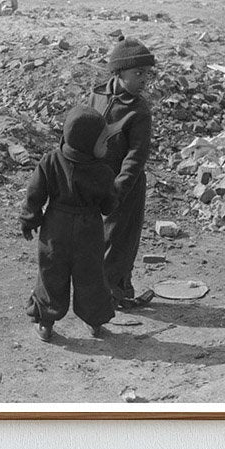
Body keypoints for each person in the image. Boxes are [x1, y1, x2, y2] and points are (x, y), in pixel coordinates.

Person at [20, 105, 117, 343]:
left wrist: (30, 218)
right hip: (89, 230)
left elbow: (35, 194)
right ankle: (93, 319)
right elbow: (108, 205)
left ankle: (45, 320)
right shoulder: (102, 172)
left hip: (55, 228)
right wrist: (114, 197)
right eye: (104, 141)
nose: (108, 146)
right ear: (86, 143)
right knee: (90, 274)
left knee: (51, 272)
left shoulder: (51, 160)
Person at [89, 38, 157, 309]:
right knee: (95, 238)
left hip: (126, 186)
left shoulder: (139, 110)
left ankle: (116, 292)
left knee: (122, 240)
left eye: (147, 74)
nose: (144, 80)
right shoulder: (97, 96)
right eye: (138, 74)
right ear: (118, 73)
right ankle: (104, 291)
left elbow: (136, 156)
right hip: (95, 179)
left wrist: (118, 189)